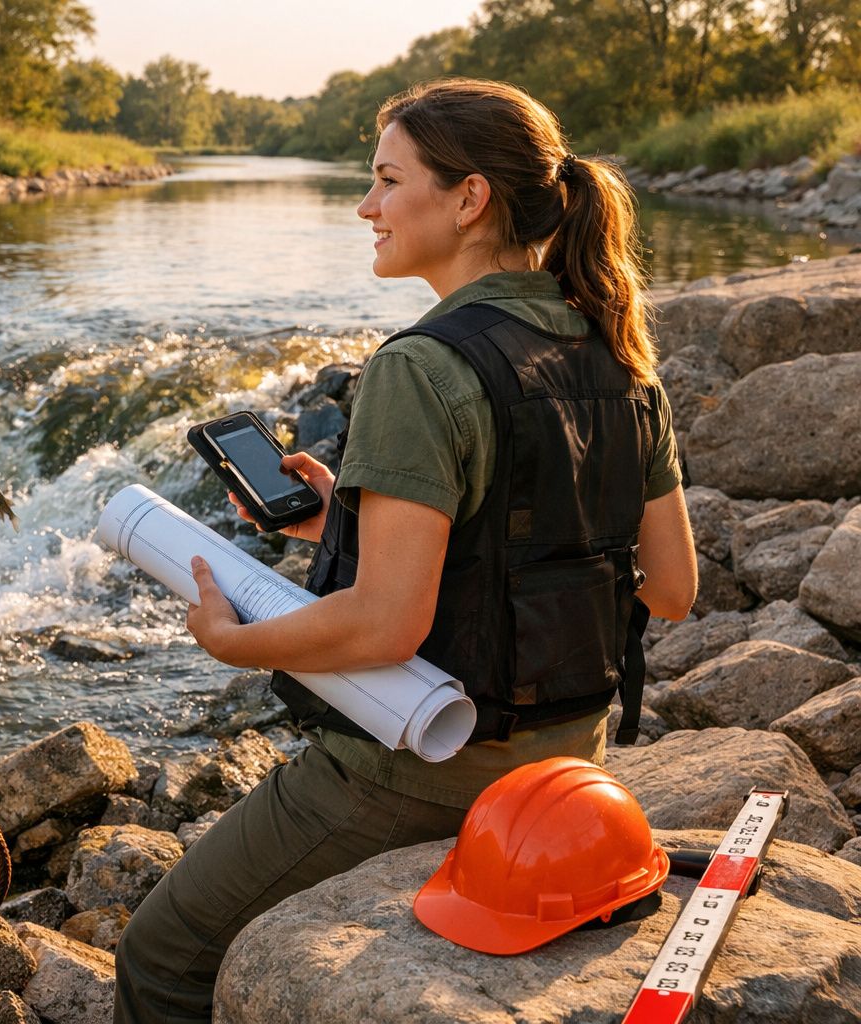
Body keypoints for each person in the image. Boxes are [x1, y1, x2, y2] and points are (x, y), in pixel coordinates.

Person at [112, 78, 699, 1023]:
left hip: (421, 770)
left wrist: (231, 640)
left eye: (387, 180)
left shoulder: (420, 367)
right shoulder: (622, 358)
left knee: (161, 955)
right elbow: (670, 588)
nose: (366, 206)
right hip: (567, 758)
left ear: (469, 199)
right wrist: (352, 521)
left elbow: (388, 624)